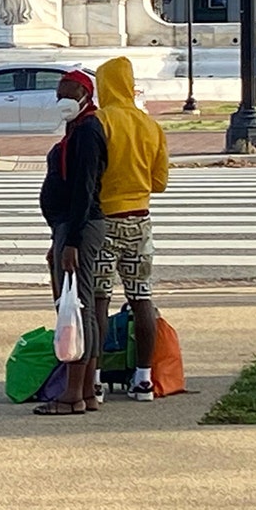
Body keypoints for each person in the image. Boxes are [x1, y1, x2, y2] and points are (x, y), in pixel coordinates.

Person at [91, 56, 169, 402]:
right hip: (140, 218)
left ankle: (92, 376)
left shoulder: (101, 121)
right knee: (141, 300)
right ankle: (143, 378)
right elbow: (160, 182)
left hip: (105, 220)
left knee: (99, 300)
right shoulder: (150, 126)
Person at [35, 69, 107, 415]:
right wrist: (58, 240)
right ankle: (86, 392)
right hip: (68, 227)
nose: (62, 99)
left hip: (81, 226)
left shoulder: (89, 131)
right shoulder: (76, 128)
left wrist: (72, 241)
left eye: (68, 92)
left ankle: (73, 394)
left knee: (78, 310)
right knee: (83, 308)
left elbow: (84, 188)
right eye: (59, 93)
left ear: (84, 94)